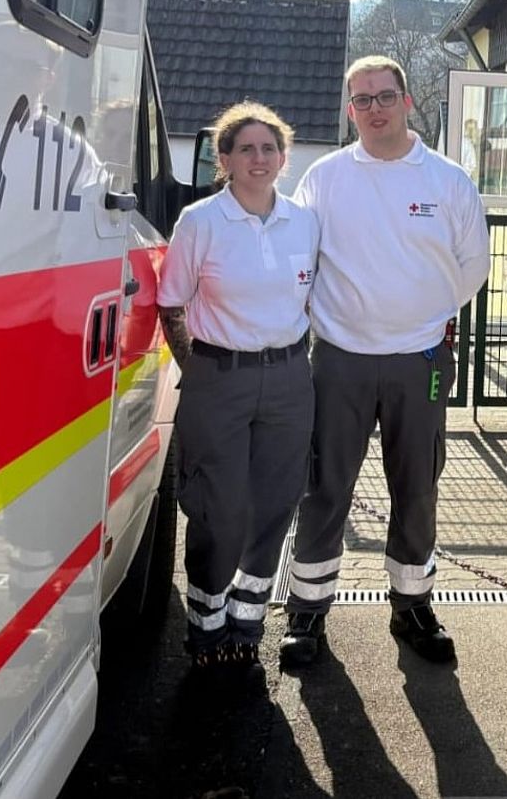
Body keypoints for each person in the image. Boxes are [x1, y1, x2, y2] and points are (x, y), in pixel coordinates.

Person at [279, 56, 491, 668]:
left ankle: (413, 606)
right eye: (362, 100)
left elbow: (471, 265)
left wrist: (420, 319)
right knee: (323, 487)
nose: (375, 109)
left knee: (417, 486)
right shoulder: (324, 177)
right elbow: (300, 254)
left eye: (385, 97)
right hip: (338, 359)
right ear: (350, 111)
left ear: (408, 102)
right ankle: (307, 613)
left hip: (418, 359)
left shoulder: (448, 181)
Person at [157, 101, 319, 680]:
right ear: (223, 158)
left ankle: (247, 623)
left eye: (269, 148)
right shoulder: (201, 221)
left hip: (288, 380)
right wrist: (197, 369)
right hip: (217, 377)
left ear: (283, 156)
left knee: (274, 505)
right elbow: (170, 301)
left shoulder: (304, 221)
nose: (259, 158)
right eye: (245, 148)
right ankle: (205, 625)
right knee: (218, 510)